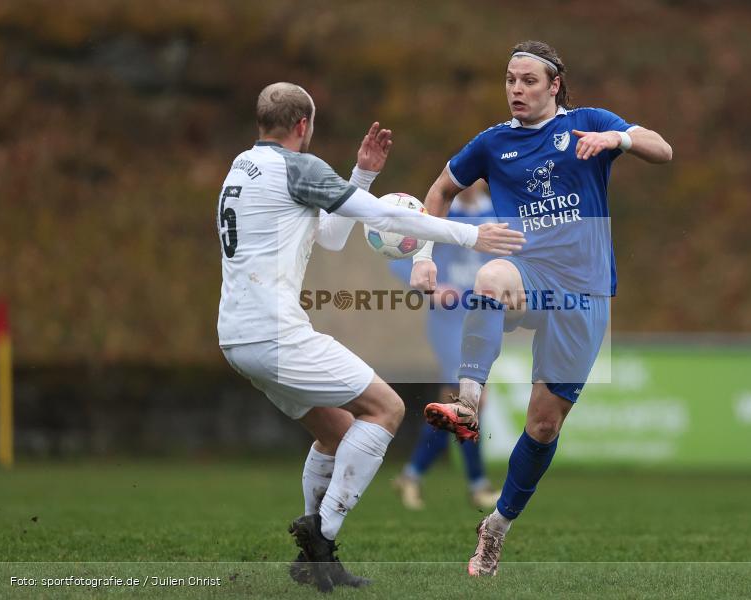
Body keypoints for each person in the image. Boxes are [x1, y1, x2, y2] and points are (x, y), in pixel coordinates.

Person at [216, 82, 525, 592]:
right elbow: (381, 216)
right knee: (386, 408)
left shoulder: (239, 169)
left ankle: (318, 558)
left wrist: (363, 174)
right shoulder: (299, 169)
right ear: (303, 126)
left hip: (237, 334)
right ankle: (323, 534)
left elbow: (332, 238)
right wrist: (472, 235)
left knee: (336, 434)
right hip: (274, 332)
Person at [410, 41, 672, 576]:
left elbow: (661, 149)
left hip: (584, 292)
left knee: (544, 425)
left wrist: (617, 137)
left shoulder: (589, 123)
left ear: (554, 86)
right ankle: (468, 403)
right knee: (490, 275)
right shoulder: (492, 143)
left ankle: (497, 527)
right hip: (528, 276)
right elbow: (439, 191)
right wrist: (426, 255)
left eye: (528, 81)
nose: (516, 90)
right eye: (510, 80)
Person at [390, 181, 501, 510]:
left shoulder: (498, 212)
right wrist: (431, 289)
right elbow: (398, 258)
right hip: (449, 324)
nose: (468, 182)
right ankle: (478, 486)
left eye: (476, 175)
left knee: (456, 408)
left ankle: (411, 476)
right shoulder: (441, 212)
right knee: (467, 402)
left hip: (483, 321)